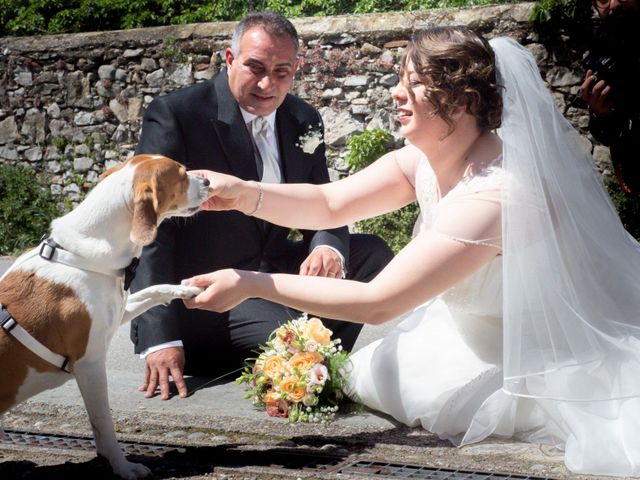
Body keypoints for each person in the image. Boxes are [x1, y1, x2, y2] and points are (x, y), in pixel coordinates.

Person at [184, 26, 640, 476]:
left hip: (534, 353)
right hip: (462, 329)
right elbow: (330, 202)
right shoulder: (424, 157)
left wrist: (250, 284)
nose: (397, 94)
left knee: (427, 390)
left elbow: (379, 303)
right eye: (402, 80)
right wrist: (243, 192)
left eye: (415, 84)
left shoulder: (498, 194)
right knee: (382, 375)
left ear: (461, 102)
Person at [130, 11, 393, 400]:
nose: (268, 83)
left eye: (282, 71)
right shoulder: (178, 115)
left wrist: (326, 246)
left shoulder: (303, 118)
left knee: (372, 253)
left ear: (297, 67)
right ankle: (296, 361)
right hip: (205, 294)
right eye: (255, 67)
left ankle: (303, 358)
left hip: (268, 275)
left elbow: (325, 201)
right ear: (230, 58)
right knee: (289, 340)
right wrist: (160, 336)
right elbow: (150, 225)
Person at [580, 0, 640, 194]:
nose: (613, 4)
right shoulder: (604, 45)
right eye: (603, 0)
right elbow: (607, 134)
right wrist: (600, 113)